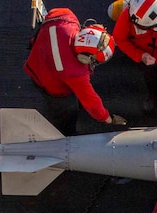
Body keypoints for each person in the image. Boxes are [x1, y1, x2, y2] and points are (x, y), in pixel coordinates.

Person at [25, 8, 127, 136]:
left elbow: (53, 13)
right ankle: (66, 134)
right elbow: (92, 103)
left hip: (36, 64)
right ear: (85, 58)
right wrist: (107, 118)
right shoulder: (76, 74)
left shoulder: (66, 18)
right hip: (53, 88)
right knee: (65, 113)